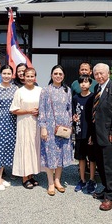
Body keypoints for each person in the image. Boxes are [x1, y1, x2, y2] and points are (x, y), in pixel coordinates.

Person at [91, 63, 112, 211]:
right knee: (101, 164)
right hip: (97, 134)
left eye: (101, 73)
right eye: (96, 74)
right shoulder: (97, 88)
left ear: (108, 73)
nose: (99, 76)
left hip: (109, 135)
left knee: (110, 166)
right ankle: (106, 188)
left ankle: (111, 197)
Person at [38, 65, 73, 196]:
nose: (58, 76)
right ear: (51, 75)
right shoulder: (45, 90)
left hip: (63, 128)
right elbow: (42, 110)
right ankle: (50, 183)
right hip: (50, 126)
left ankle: (58, 181)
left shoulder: (67, 90)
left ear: (63, 76)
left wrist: (69, 125)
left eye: (60, 73)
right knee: (49, 154)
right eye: (55, 73)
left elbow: (69, 109)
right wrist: (43, 128)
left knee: (61, 155)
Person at [10, 68, 42, 189]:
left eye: (32, 76)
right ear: (24, 77)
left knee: (34, 148)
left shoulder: (40, 90)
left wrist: (39, 111)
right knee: (25, 148)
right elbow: (14, 109)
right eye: (27, 76)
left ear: (35, 77)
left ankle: (31, 175)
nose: (29, 78)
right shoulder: (19, 91)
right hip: (24, 123)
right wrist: (28, 111)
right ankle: (24, 177)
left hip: (36, 124)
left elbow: (44, 106)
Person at [72, 75, 97, 194]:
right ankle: (82, 179)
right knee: (81, 158)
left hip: (90, 133)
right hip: (79, 132)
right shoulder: (75, 98)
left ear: (90, 84)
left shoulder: (93, 97)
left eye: (86, 82)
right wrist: (74, 118)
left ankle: (92, 180)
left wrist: (93, 134)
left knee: (92, 158)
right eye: (81, 82)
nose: (83, 84)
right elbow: (73, 112)